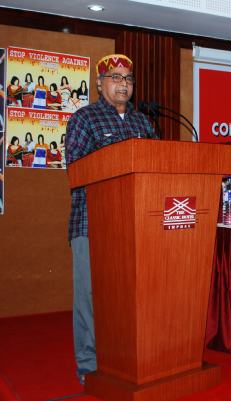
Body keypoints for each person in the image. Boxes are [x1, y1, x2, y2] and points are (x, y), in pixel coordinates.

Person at [66, 53, 156, 383]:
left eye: (128, 79)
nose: (123, 84)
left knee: (131, 297)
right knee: (90, 297)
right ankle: (89, 365)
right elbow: (76, 169)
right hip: (91, 223)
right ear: (99, 83)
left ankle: (127, 359)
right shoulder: (84, 119)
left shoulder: (143, 123)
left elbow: (156, 166)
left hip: (136, 224)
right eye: (115, 77)